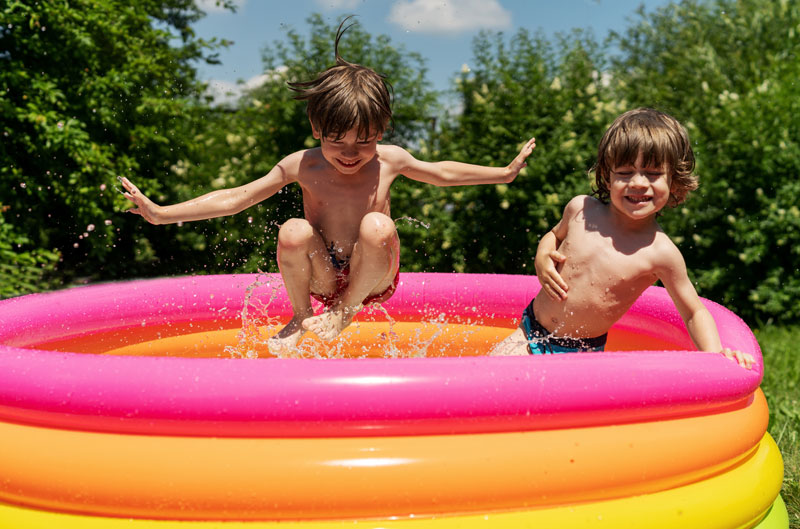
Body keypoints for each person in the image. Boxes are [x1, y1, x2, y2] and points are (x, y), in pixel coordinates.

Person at [120, 19, 536, 356]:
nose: (351, 152)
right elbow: (237, 198)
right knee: (292, 230)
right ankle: (303, 317)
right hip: (323, 271)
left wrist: (500, 173)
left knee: (377, 225)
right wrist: (163, 213)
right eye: (337, 141)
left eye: (365, 140)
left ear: (382, 130)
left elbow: (441, 172)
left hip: (373, 275)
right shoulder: (302, 165)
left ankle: (345, 311)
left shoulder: (391, 159)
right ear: (317, 129)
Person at [491, 107, 753, 369]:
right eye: (625, 172)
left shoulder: (661, 252)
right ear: (607, 176)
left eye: (652, 173)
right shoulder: (581, 209)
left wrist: (716, 355)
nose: (638, 182)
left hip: (581, 354)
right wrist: (542, 255)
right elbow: (553, 235)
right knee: (489, 384)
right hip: (529, 332)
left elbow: (693, 311)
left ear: (674, 180)